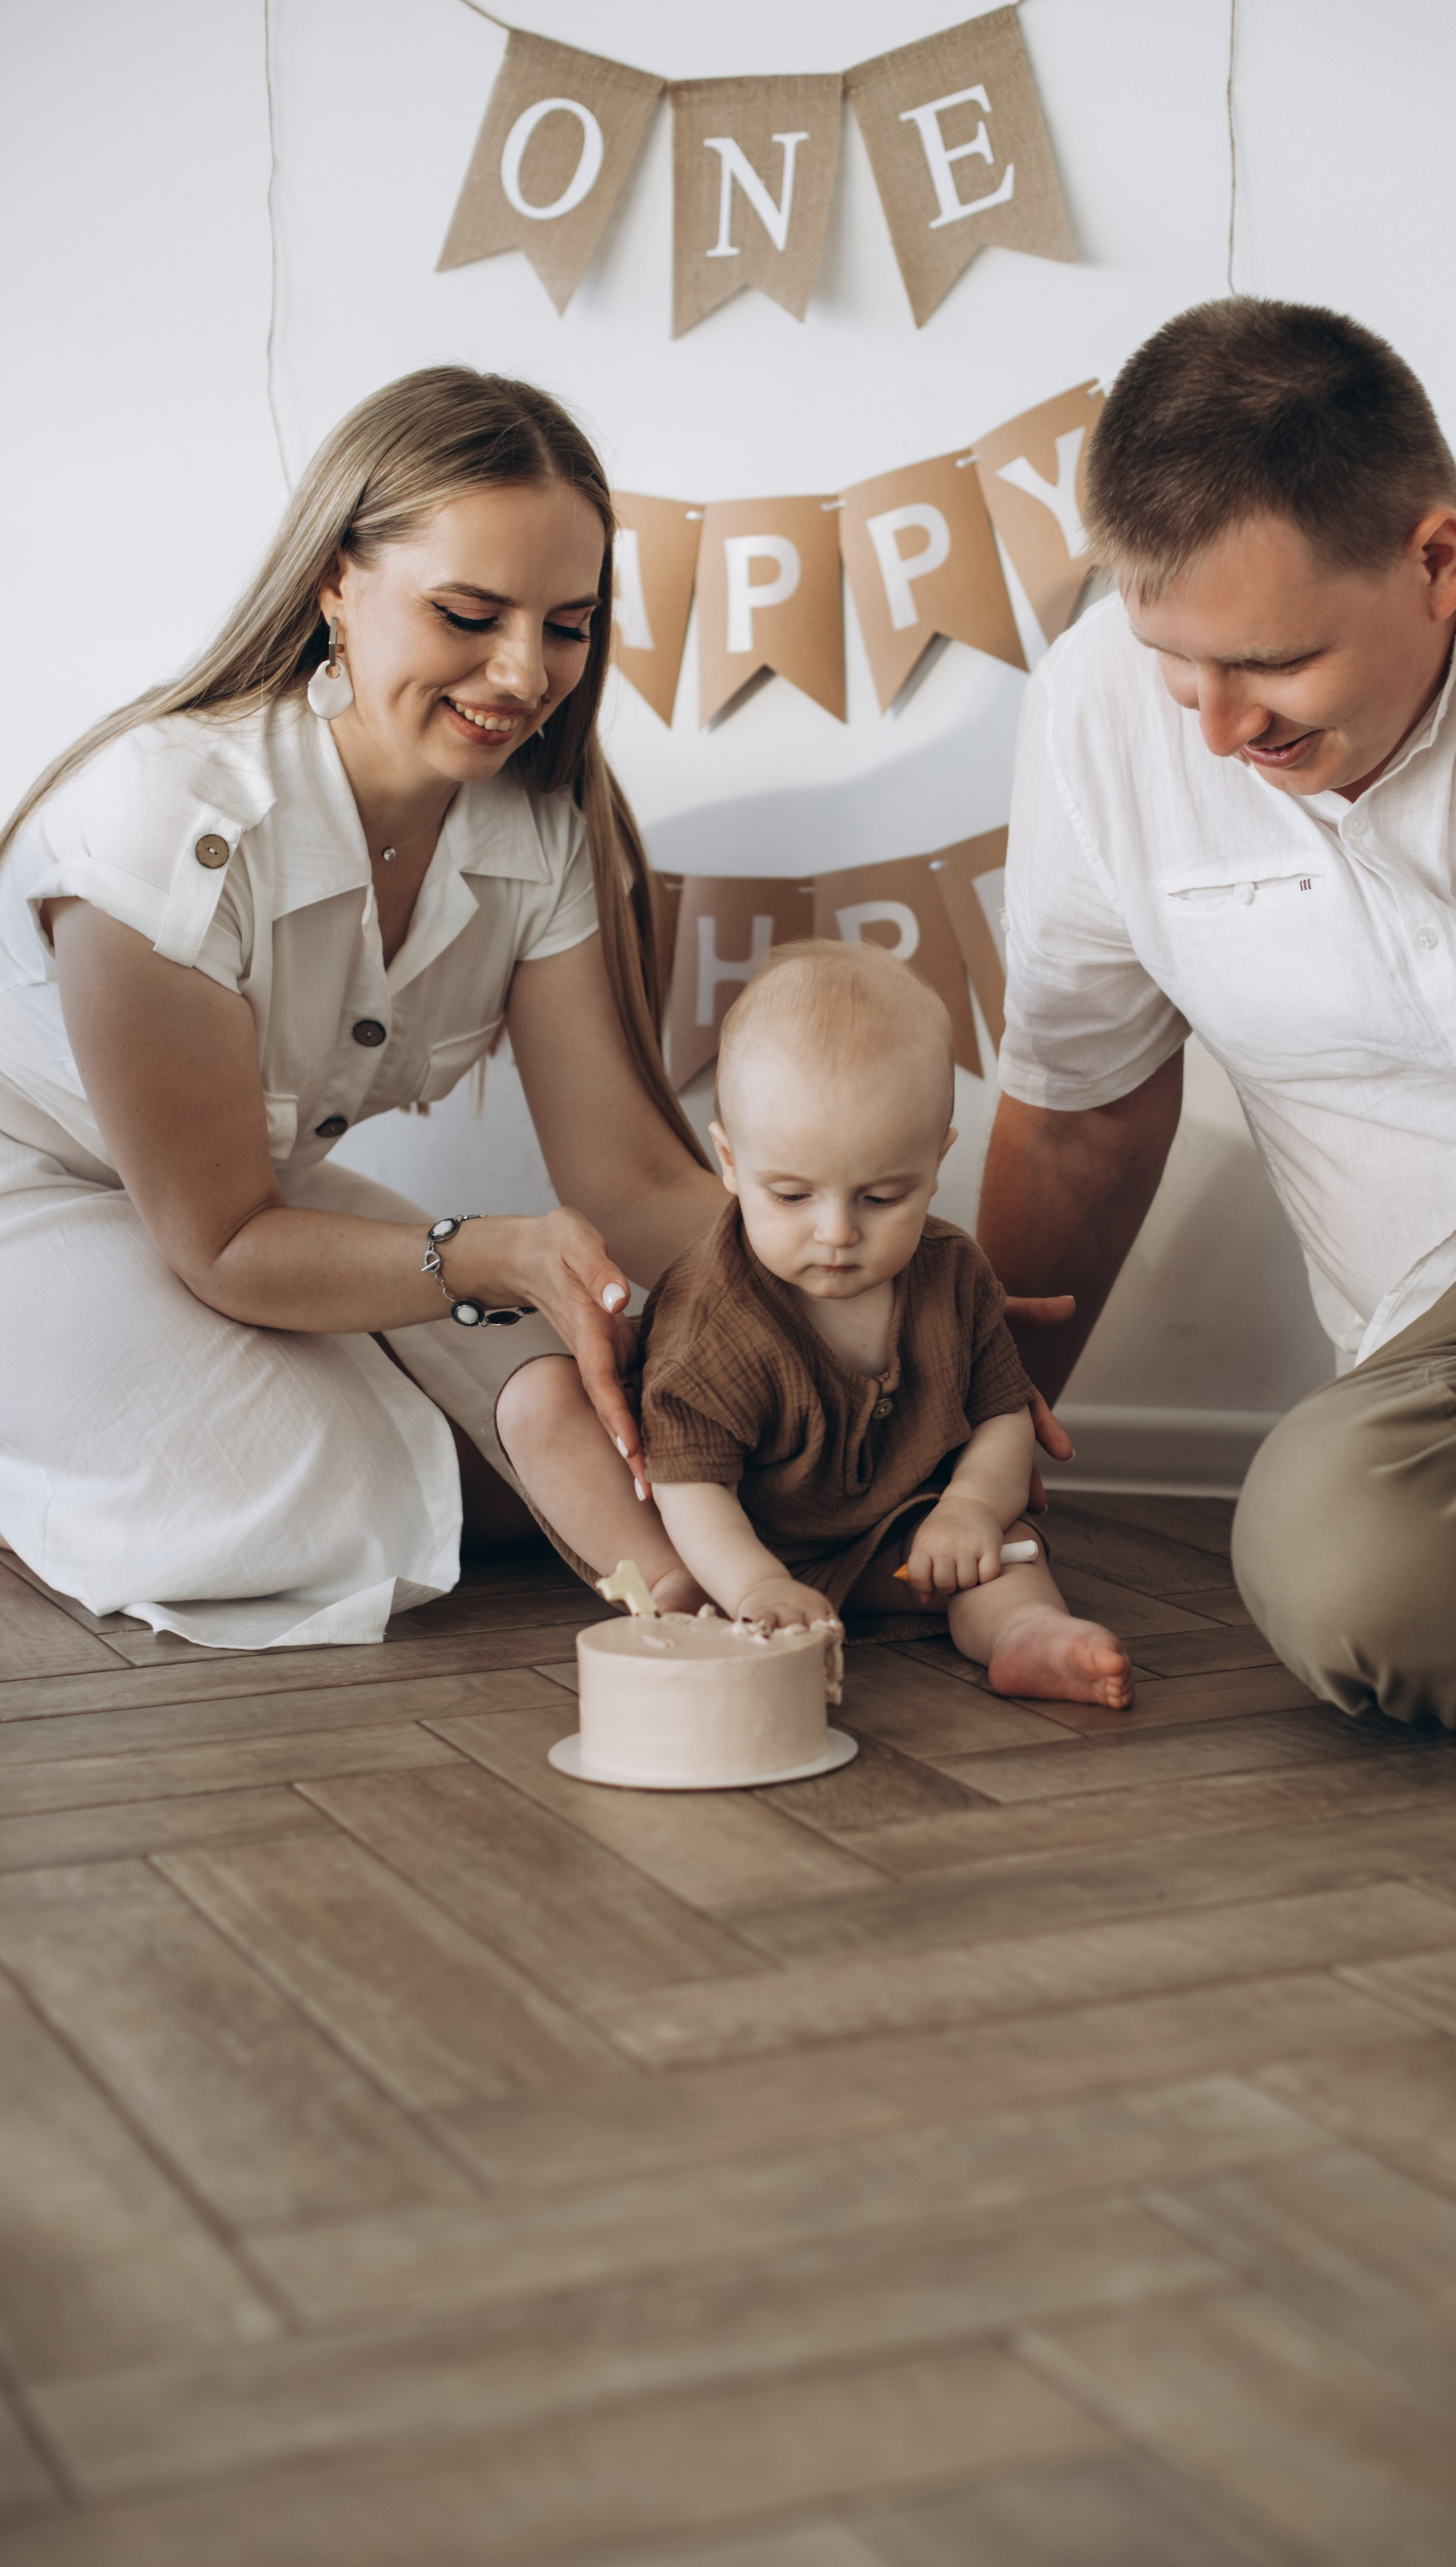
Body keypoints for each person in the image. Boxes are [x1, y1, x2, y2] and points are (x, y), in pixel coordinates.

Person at [0, 364, 1065, 1651]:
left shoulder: (535, 833)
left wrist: (888, 1287)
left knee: (573, 1404)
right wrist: (490, 1257)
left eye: (568, 625)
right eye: (469, 613)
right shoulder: (164, 818)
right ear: (336, 581)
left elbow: (626, 1180)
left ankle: (721, 1588)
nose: (522, 672)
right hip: (49, 1193)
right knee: (316, 1483)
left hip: (254, 1198)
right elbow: (222, 1242)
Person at [979, 295, 1456, 1731]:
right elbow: (1077, 1129)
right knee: (1337, 1542)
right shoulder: (1090, 722)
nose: (1216, 728)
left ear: (1436, 560)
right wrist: (970, 1465)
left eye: (1269, 664)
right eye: (1173, 659)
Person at [622, 940, 1130, 1708]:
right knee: (690, 1584)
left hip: (907, 1543)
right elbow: (689, 1486)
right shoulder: (710, 1318)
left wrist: (968, 1508)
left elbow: (1002, 1415)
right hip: (750, 1550)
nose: (836, 1232)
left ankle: (1027, 1636)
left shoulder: (953, 1273)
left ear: (935, 1163)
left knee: (1007, 1554)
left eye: (882, 1197)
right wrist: (756, 1584)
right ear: (728, 1159)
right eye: (791, 1195)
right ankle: (742, 1620)